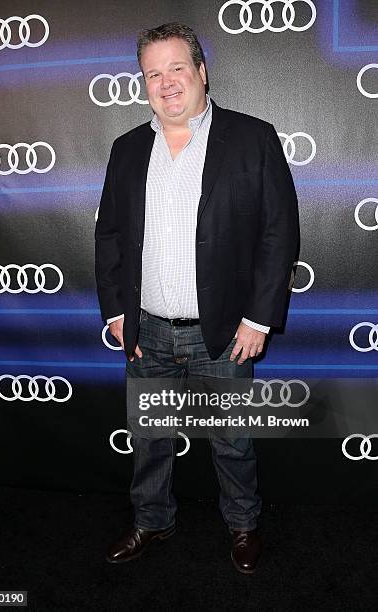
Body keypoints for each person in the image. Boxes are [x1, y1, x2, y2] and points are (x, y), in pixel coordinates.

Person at [95, 22, 299, 574]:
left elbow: (279, 234)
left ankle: (242, 525)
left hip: (227, 331)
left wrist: (259, 318)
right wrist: (118, 313)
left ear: (202, 72)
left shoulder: (253, 137)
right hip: (148, 330)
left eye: (176, 68)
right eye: (152, 74)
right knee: (149, 440)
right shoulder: (127, 148)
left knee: (232, 440)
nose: (165, 84)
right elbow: (110, 234)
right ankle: (152, 521)